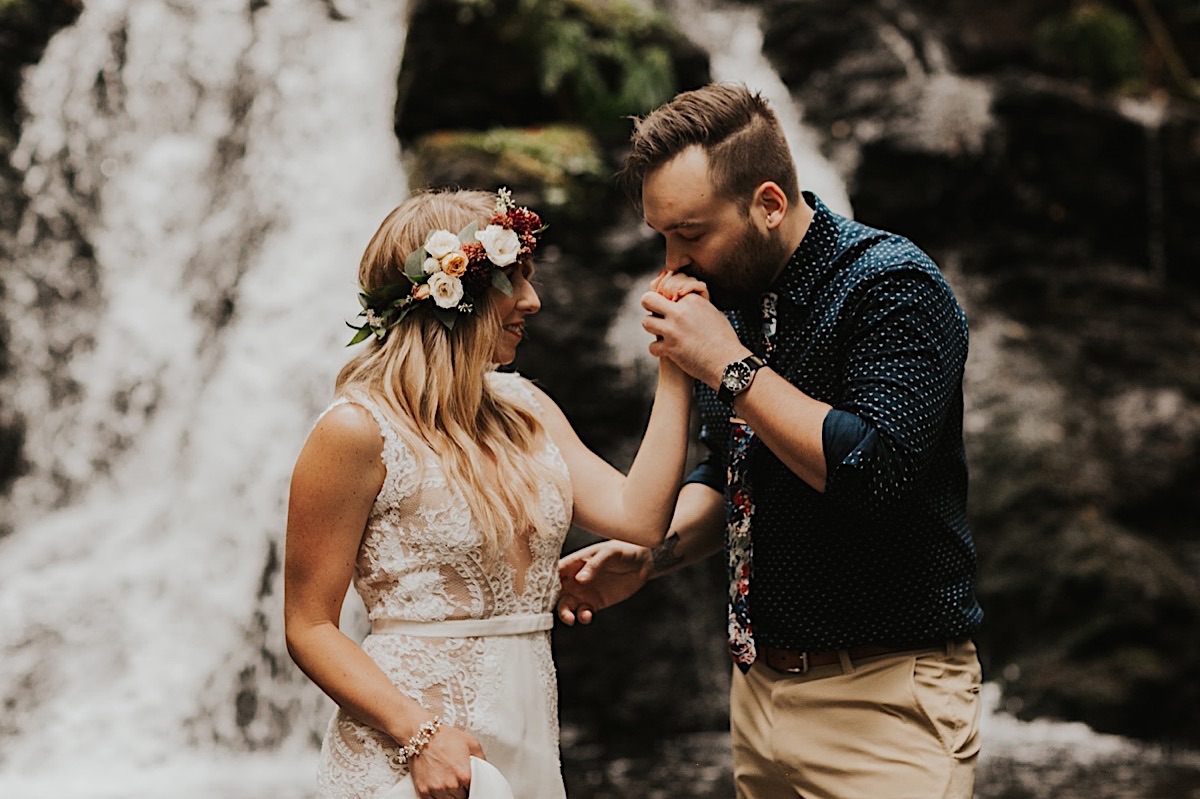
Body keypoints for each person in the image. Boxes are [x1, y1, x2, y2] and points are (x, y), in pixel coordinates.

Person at [557, 82, 985, 799]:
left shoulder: (892, 285)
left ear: (769, 203)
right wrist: (652, 556)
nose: (673, 265)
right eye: (662, 236)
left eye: (690, 234)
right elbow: (729, 469)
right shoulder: (729, 302)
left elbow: (872, 469)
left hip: (887, 699)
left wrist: (726, 363)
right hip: (759, 700)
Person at [284, 187, 694, 799]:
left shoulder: (526, 406)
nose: (534, 300)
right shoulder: (355, 430)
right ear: (452, 294)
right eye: (515, 280)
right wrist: (418, 735)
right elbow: (309, 625)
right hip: (418, 752)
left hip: (528, 732)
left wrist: (677, 362)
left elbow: (639, 517)